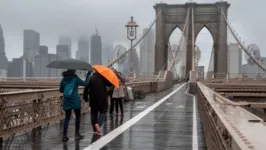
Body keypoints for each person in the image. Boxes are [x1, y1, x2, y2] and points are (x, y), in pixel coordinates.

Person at [59, 69, 88, 142]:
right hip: (75, 100)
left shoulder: (63, 79)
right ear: (73, 71)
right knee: (78, 117)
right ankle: (77, 133)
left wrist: (67, 88)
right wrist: (88, 74)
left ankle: (64, 135)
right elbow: (86, 83)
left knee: (67, 118)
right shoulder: (75, 78)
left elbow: (61, 90)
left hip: (67, 100)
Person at [83, 69, 112, 134]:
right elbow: (110, 84)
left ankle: (94, 129)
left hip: (93, 98)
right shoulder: (103, 77)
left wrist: (85, 97)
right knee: (103, 112)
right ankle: (98, 125)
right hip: (102, 98)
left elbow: (86, 88)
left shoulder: (90, 78)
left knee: (93, 113)